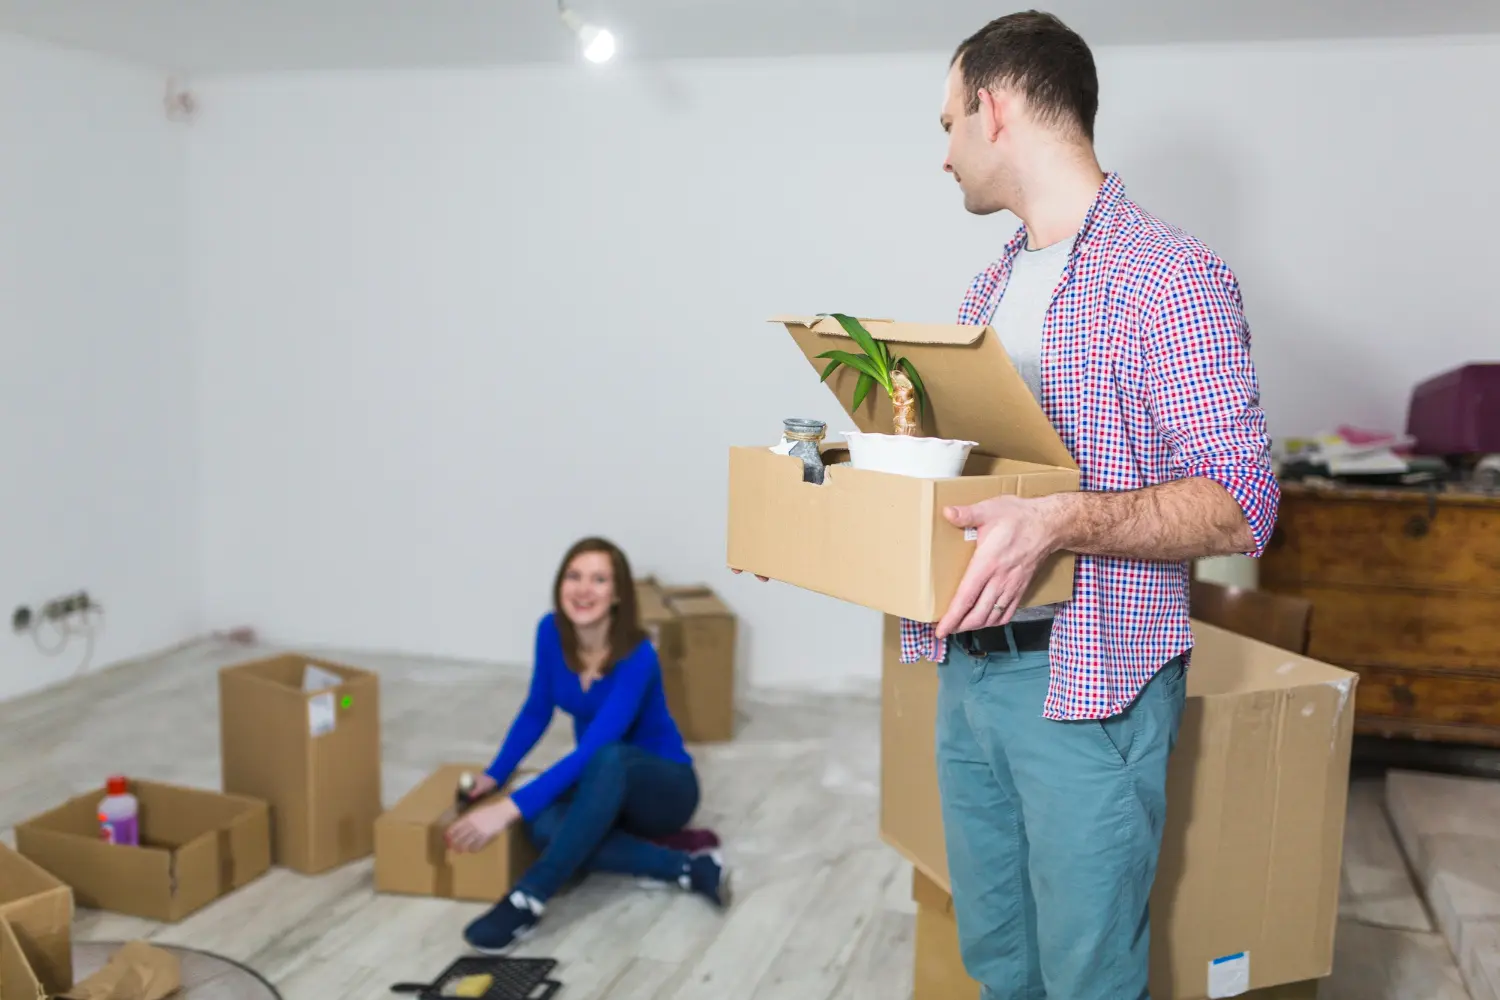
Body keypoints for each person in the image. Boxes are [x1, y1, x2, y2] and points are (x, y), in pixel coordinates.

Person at [739, 10, 1276, 999]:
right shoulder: (987, 289)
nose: (943, 155)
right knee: (998, 964)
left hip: (1090, 686)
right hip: (969, 673)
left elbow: (1242, 504)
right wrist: (822, 516)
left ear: (994, 108)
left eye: (947, 124)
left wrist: (1063, 518)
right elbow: (972, 479)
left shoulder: (1170, 279)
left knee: (1086, 979)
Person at [447, 537, 731, 953]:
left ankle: (529, 896)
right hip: (602, 784)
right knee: (541, 822)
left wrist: (504, 810)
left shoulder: (638, 656)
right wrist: (496, 775)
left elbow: (596, 747)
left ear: (617, 595)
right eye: (574, 576)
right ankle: (687, 868)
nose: (583, 589)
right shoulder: (550, 632)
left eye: (599, 580)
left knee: (604, 757)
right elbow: (536, 711)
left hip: (662, 789)